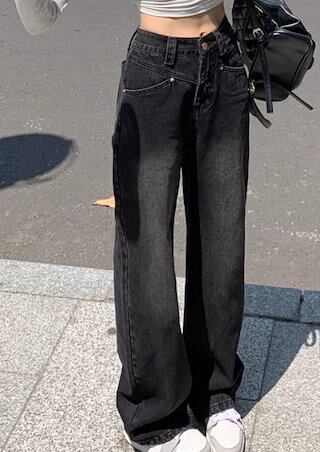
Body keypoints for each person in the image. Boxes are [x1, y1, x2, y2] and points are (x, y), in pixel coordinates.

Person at [14, 1, 250, 450]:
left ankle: (215, 391)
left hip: (223, 58)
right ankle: (155, 415)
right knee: (146, 252)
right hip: (156, 68)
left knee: (223, 237)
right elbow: (38, 18)